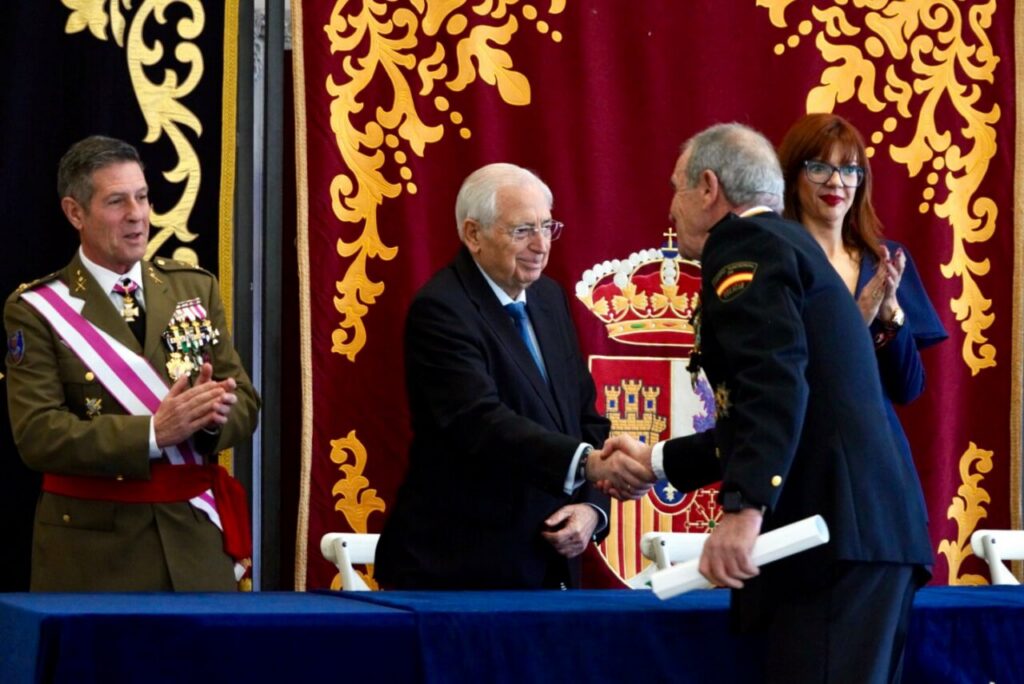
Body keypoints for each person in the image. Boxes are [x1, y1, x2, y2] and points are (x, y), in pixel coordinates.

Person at [597, 124, 932, 683]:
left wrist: (744, 508)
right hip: (864, 536)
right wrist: (655, 462)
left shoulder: (746, 244)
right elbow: (787, 409)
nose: (671, 208)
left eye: (677, 188)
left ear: (709, 187)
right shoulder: (791, 244)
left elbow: (772, 383)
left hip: (833, 543)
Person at [374, 162, 648, 589]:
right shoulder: (442, 310)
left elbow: (583, 416)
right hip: (461, 571)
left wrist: (591, 508)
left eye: (547, 227)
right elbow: (480, 422)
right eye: (522, 231)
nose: (541, 245)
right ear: (473, 234)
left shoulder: (548, 298)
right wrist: (588, 464)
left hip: (547, 566)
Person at [4, 135, 260, 591]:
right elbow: (38, 435)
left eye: (142, 197)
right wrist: (153, 434)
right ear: (75, 213)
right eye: (116, 201)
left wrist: (210, 419)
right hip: (96, 553)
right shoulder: (37, 310)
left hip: (193, 544)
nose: (137, 214)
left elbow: (245, 400)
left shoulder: (193, 288)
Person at [776, 112, 947, 484]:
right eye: (819, 167)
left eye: (850, 170)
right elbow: (785, 379)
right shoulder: (777, 262)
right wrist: (857, 318)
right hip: (802, 458)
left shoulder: (882, 261)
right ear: (792, 175)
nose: (836, 182)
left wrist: (890, 313)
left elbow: (907, 389)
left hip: (877, 460)